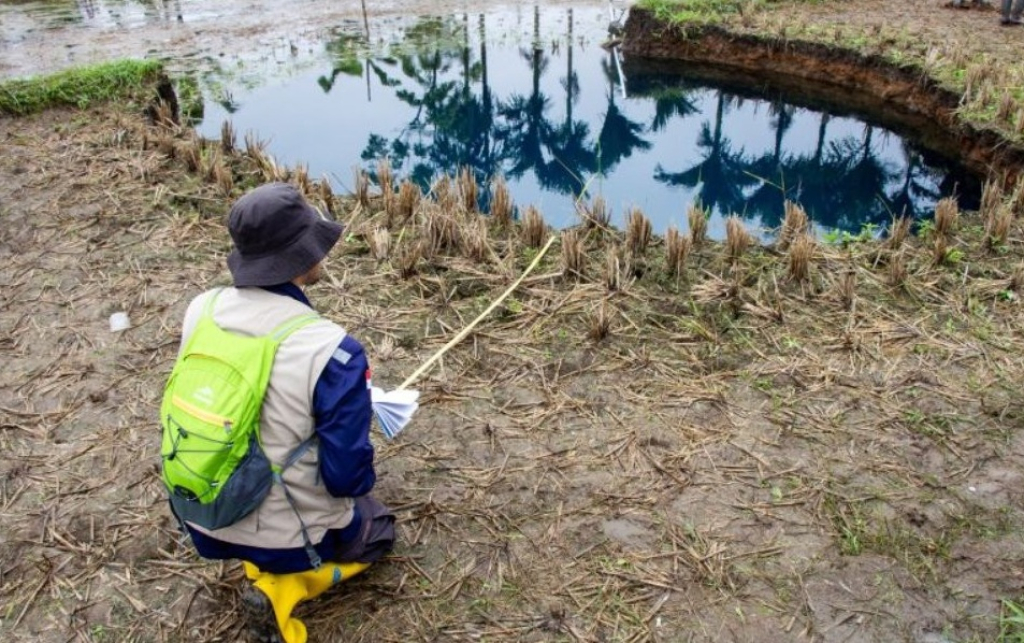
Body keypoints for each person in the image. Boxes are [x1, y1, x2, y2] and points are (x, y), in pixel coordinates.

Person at [172, 182, 395, 642]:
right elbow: (347, 478)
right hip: (288, 534)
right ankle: (284, 590)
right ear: (301, 255)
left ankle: (262, 562)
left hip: (202, 512)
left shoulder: (201, 309)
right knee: (376, 527)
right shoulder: (332, 350)